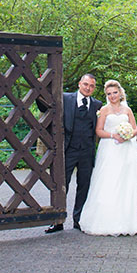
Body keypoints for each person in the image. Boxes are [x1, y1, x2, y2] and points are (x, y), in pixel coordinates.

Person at [78, 79, 137, 236]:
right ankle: (108, 219)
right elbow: (99, 131)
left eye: (114, 93)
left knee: (130, 179)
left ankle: (135, 218)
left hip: (127, 149)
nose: (112, 96)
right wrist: (114, 135)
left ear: (120, 93)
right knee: (110, 180)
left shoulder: (127, 110)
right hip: (110, 148)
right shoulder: (104, 110)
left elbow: (135, 129)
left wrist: (127, 135)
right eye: (109, 94)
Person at [45, 73, 102, 233]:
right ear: (79, 84)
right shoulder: (65, 98)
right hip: (68, 150)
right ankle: (58, 221)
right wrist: (40, 88)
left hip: (87, 152)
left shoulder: (98, 105)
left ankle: (79, 220)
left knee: (84, 186)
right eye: (86, 84)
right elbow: (44, 106)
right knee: (62, 185)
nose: (88, 88)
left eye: (91, 86)